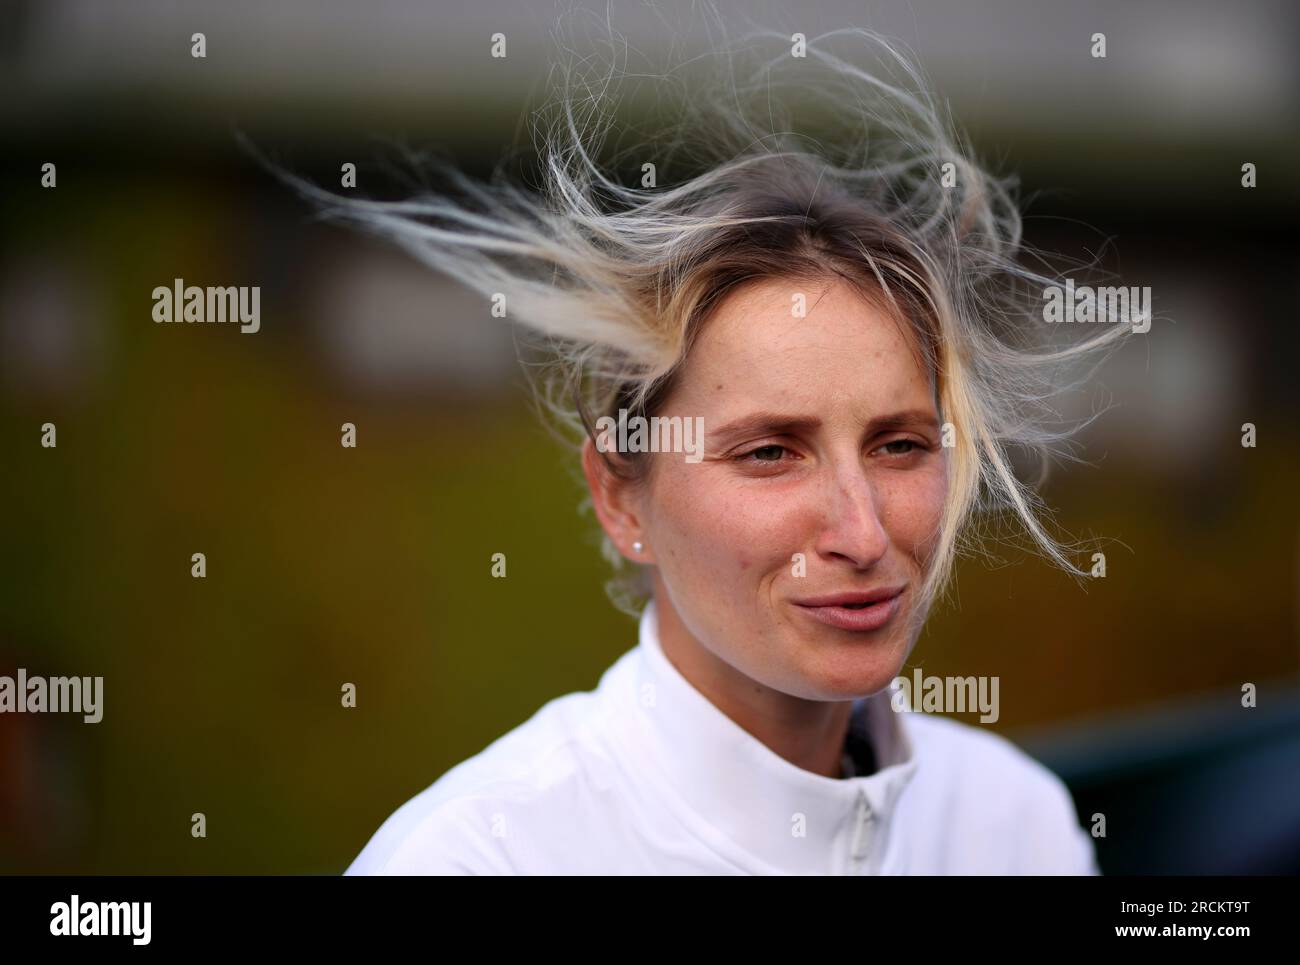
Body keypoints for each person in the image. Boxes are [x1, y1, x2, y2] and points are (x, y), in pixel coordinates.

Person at [309, 23, 1140, 875]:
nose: (862, 533)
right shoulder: (479, 856)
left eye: (899, 444)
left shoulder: (1012, 824)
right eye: (771, 452)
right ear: (621, 494)